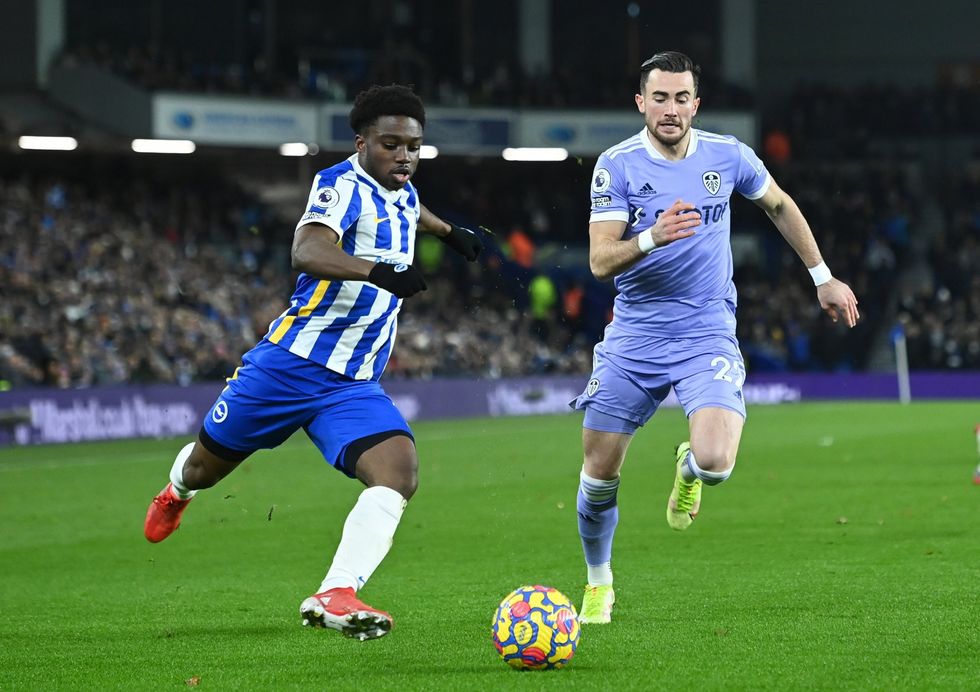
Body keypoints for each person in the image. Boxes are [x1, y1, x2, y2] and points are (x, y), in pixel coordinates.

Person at [143, 84, 483, 640]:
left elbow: (409, 208)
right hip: (289, 365)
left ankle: (337, 590)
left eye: (414, 147)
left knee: (399, 472)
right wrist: (377, 272)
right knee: (205, 468)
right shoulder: (337, 184)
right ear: (361, 143)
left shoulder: (402, 187)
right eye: (391, 144)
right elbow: (307, 249)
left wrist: (449, 233)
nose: (404, 156)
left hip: (352, 381)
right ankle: (177, 492)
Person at [570, 52, 860, 624]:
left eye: (682, 99)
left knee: (716, 462)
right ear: (641, 103)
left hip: (706, 329)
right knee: (598, 474)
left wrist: (823, 277)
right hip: (635, 332)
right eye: (660, 98)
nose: (671, 109)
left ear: (695, 105)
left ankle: (688, 471)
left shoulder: (728, 155)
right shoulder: (617, 165)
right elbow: (601, 260)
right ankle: (599, 582)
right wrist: (652, 236)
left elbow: (778, 204)